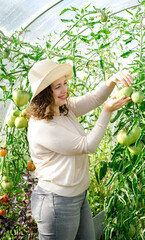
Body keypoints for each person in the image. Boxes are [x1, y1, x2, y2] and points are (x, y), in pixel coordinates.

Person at [27, 59, 133, 240]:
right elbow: (87, 145)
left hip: (78, 196)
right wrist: (106, 112)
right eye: (57, 87)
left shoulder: (63, 109)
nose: (64, 90)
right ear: (45, 93)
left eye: (65, 83)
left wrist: (112, 81)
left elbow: (94, 99)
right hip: (56, 201)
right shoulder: (42, 126)